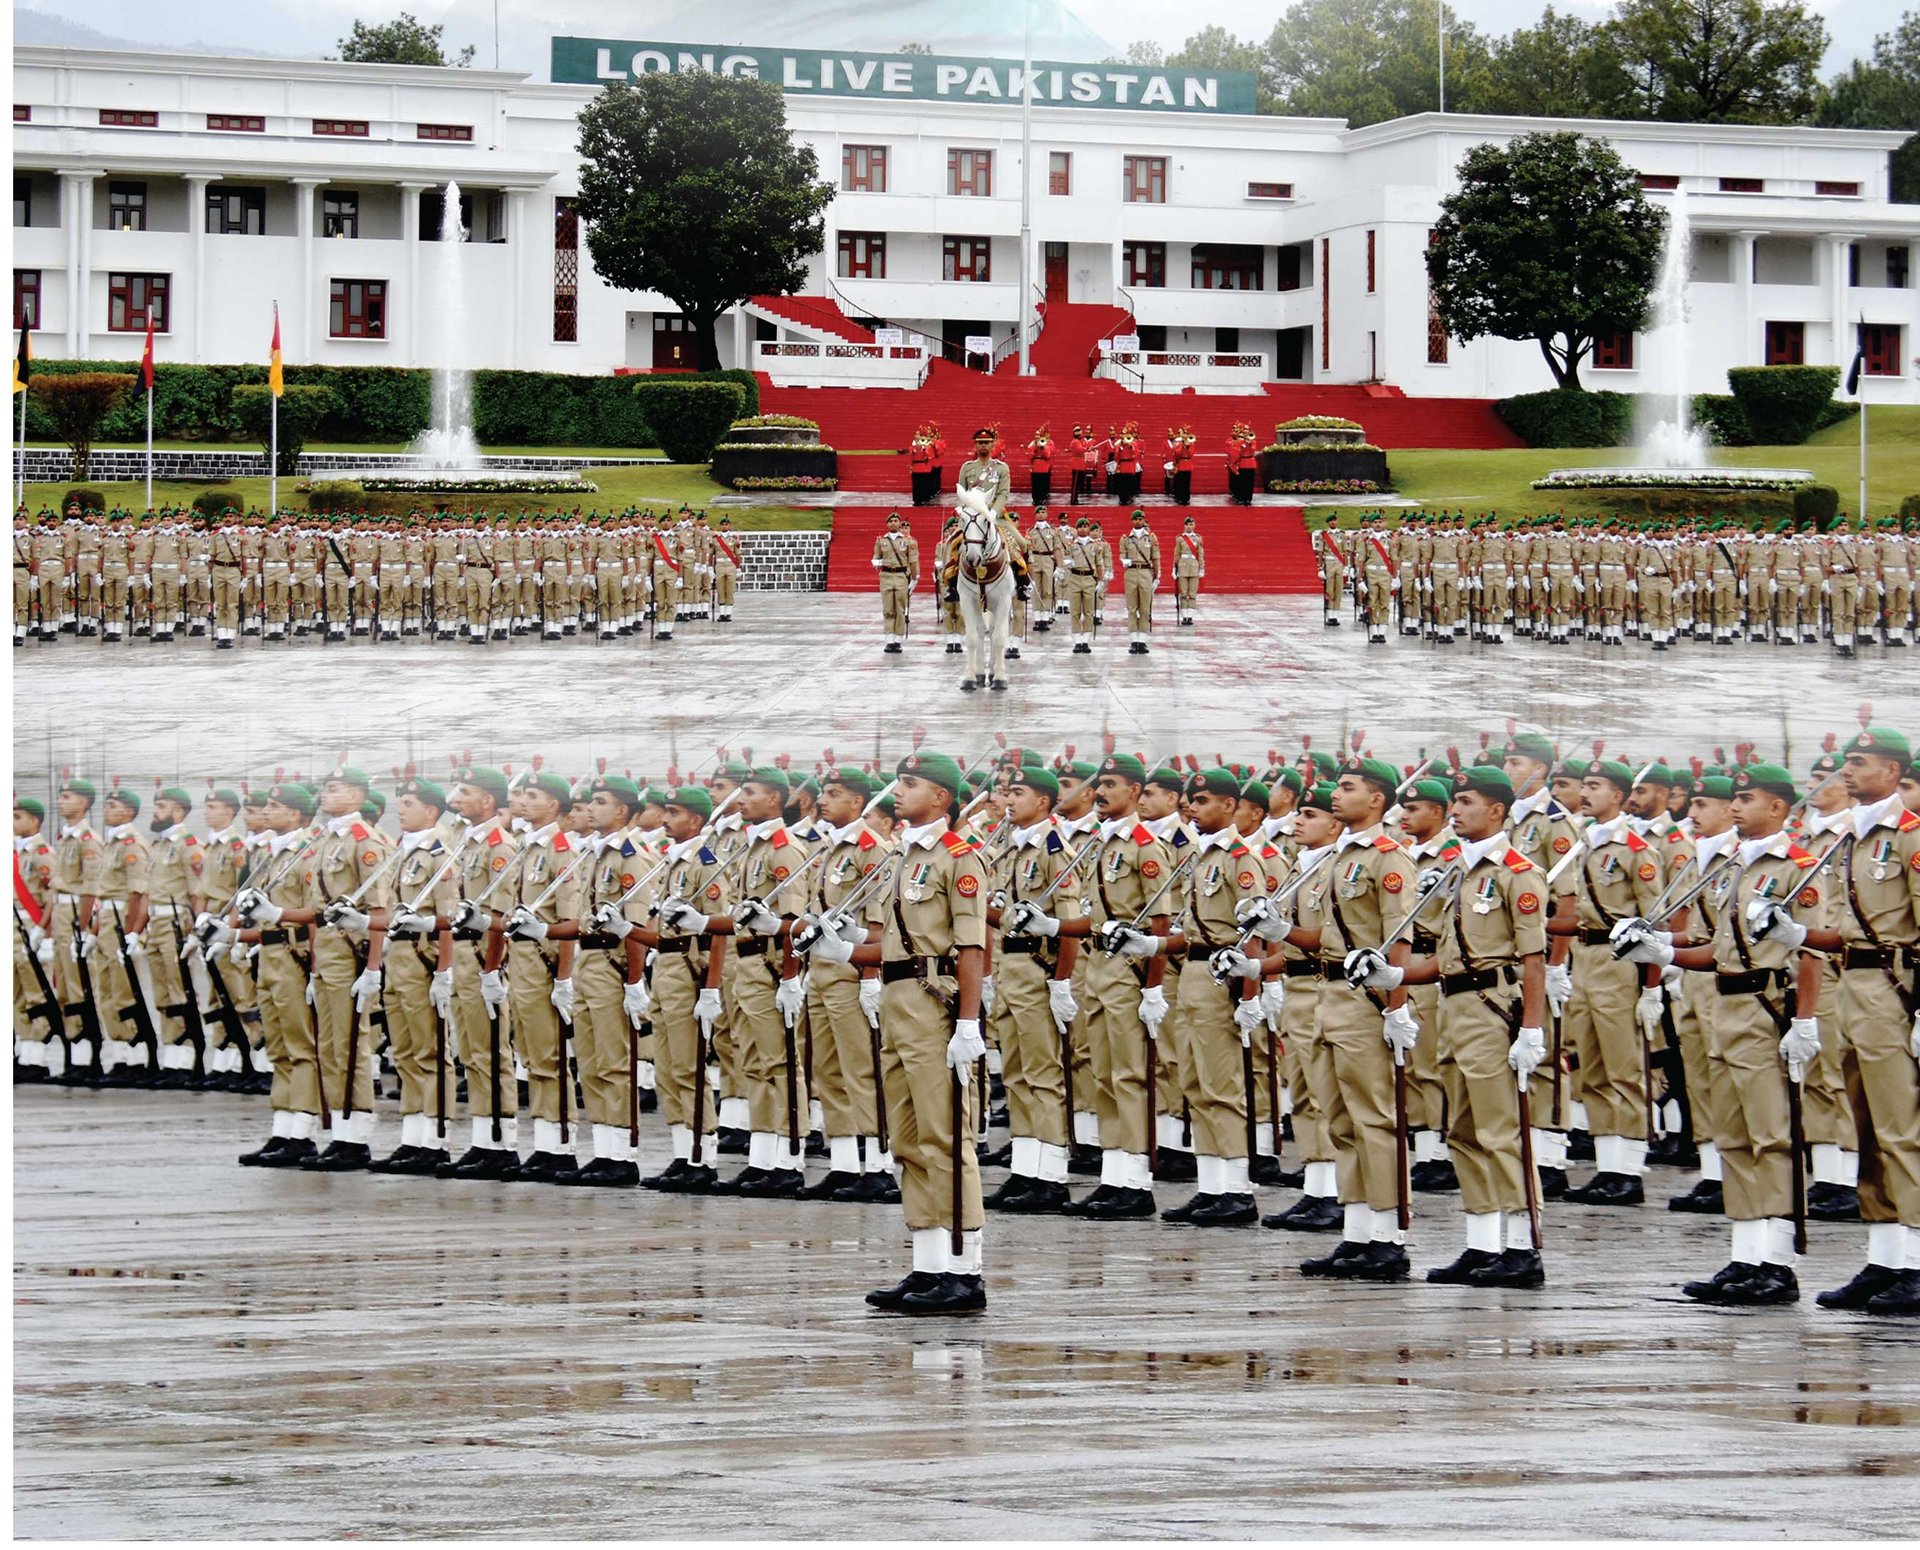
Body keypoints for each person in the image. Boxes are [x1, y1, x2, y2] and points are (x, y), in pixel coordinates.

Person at [803, 751, 989, 1314]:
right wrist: (838, 948)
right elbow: (890, 946)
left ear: (940, 797)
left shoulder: (961, 858)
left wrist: (967, 1024)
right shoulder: (904, 858)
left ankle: (965, 1270)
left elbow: (973, 948)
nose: (897, 793)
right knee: (906, 1139)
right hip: (897, 999)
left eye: (909, 784)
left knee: (945, 1137)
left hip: (935, 1005)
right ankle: (930, 1263)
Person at [1390, 766, 1550, 1287]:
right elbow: (1444, 955)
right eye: (1454, 802)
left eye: (1465, 802)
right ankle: (1483, 1243)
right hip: (1455, 1006)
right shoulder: (1460, 869)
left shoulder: (1516, 872)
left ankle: (1523, 1247)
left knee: (1500, 1130)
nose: (1454, 811)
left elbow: (1532, 958)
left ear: (1497, 810)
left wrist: (1530, 1028)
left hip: (1491, 1006)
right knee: (1460, 1129)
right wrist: (1395, 974)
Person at [872, 512, 918, 655]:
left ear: (900, 524)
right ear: (887, 524)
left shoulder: (908, 542)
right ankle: (888, 639)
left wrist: (914, 579)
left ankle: (897, 640)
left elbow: (913, 561)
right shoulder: (881, 541)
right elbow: (876, 556)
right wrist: (876, 562)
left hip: (900, 575)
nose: (893, 523)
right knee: (888, 609)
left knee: (900, 609)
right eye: (890, 521)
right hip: (886, 575)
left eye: (896, 521)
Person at [1120, 510, 1160, 655]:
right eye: (1135, 519)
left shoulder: (1151, 538)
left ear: (1144, 520)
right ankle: (1133, 640)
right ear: (1132, 521)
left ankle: (1142, 640)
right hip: (1130, 572)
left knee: (1145, 607)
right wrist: (1124, 561)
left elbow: (1155, 558)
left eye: (1140, 519)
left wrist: (1157, 576)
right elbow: (1122, 554)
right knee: (1132, 607)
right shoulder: (1126, 539)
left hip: (1145, 572)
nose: (1138, 521)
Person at [1173, 516, 1204, 628]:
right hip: (1183, 566)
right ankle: (1184, 615)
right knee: (1183, 593)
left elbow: (1200, 553)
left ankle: (1190, 616)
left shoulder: (1198, 538)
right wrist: (1174, 568)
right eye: (1187, 525)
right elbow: (1176, 554)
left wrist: (1202, 567)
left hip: (1194, 566)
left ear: (1194, 525)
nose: (1189, 527)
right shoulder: (1180, 538)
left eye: (1191, 524)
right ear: (1184, 526)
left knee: (1192, 593)